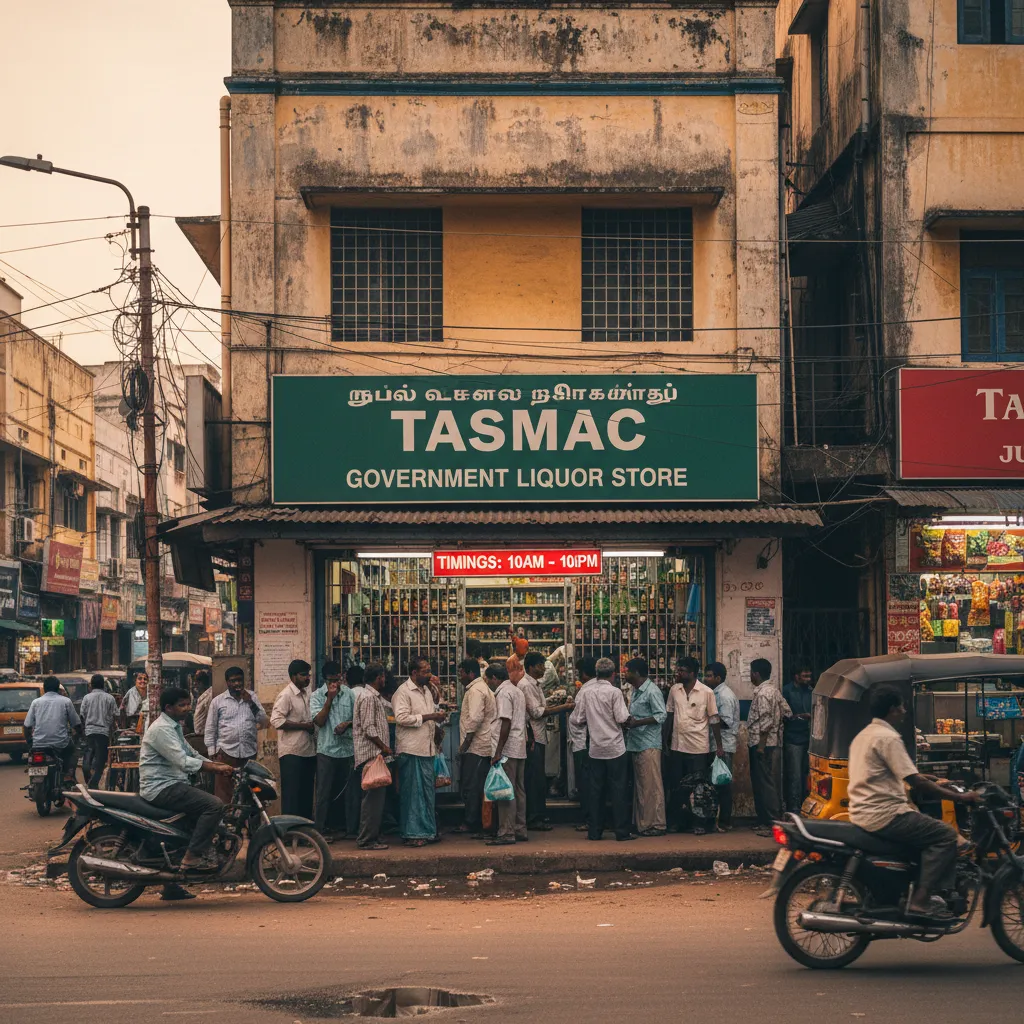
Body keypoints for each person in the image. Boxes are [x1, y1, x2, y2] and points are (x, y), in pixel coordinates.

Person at [849, 685, 978, 921]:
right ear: (892, 709)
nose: (904, 711)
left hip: (864, 812)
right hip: (886, 814)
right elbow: (916, 782)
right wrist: (961, 797)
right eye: (901, 706)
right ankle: (920, 901)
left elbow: (894, 774)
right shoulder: (888, 737)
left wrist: (932, 779)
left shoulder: (864, 735)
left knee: (926, 827)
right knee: (946, 835)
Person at [141, 686, 233, 871]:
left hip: (173, 784)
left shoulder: (174, 727)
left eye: (188, 704)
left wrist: (219, 766)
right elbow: (182, 761)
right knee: (214, 805)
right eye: (182, 705)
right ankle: (193, 856)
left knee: (185, 830)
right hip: (162, 787)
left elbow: (192, 753)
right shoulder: (161, 729)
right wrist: (214, 768)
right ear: (168, 708)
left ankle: (172, 886)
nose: (187, 708)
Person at [569, 657, 632, 842]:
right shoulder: (615, 692)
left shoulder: (587, 693)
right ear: (613, 674)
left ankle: (595, 831)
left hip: (595, 749)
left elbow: (577, 719)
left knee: (596, 791)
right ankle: (621, 831)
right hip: (615, 749)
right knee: (618, 790)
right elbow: (622, 718)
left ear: (596, 674)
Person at [664, 657, 724, 835]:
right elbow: (669, 716)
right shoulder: (675, 690)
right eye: (679, 669)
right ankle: (677, 822)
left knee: (699, 789)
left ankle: (699, 823)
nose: (679, 673)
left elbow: (714, 719)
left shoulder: (707, 692)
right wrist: (665, 741)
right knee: (676, 787)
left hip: (698, 747)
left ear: (692, 673)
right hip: (677, 745)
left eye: (682, 670)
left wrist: (719, 746)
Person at [392, 654, 446, 848]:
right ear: (414, 673)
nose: (429, 675)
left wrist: (437, 726)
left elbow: (432, 714)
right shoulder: (403, 692)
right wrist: (430, 716)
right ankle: (412, 833)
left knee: (426, 793)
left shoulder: (426, 691)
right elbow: (402, 718)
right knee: (412, 793)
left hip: (427, 748)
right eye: (425, 671)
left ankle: (427, 830)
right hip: (411, 748)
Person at [520, 651, 574, 831]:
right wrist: (563, 707)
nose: (544, 669)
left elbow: (540, 707)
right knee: (534, 779)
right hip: (533, 737)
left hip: (538, 735)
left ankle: (538, 815)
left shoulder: (534, 685)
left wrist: (553, 701)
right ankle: (534, 817)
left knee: (538, 778)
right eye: (541, 665)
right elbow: (536, 712)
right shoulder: (526, 686)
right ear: (531, 667)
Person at [204, 665, 268, 803]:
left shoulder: (252, 697)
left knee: (250, 790)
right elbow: (210, 728)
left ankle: (248, 822)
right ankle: (226, 821)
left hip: (248, 752)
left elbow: (263, 721)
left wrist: (250, 702)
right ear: (227, 682)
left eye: (239, 680)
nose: (237, 684)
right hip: (226, 752)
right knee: (224, 790)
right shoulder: (218, 701)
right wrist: (212, 751)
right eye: (233, 681)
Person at [309, 660, 355, 841]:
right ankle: (320, 830)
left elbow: (359, 717)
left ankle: (350, 830)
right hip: (326, 749)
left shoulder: (350, 694)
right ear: (324, 680)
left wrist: (347, 724)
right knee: (323, 792)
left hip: (347, 749)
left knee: (350, 793)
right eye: (331, 681)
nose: (335, 684)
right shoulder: (317, 696)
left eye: (338, 679)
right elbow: (319, 721)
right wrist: (329, 698)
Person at [623, 657, 667, 837]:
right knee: (642, 786)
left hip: (648, 743)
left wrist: (637, 723)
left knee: (652, 786)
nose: (625, 674)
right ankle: (642, 823)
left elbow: (661, 715)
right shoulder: (636, 691)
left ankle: (656, 824)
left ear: (637, 673)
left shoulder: (651, 691)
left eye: (627, 671)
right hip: (637, 743)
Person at [746, 657, 790, 836]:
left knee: (765, 784)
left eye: (751, 672)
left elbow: (765, 722)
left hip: (762, 744)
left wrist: (761, 747)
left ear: (756, 673)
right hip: (775, 743)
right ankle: (767, 821)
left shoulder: (763, 693)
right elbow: (787, 712)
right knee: (770, 782)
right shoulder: (775, 691)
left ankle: (771, 823)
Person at [487, 662, 528, 846]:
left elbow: (505, 722)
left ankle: (506, 832)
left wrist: (498, 751)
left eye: (488, 680)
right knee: (518, 789)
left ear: (495, 678)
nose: (488, 684)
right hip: (519, 747)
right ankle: (520, 828)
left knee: (505, 791)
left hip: (507, 748)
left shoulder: (503, 693)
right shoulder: (517, 690)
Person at [352, 662, 392, 851]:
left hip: (372, 755)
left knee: (375, 800)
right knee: (372, 801)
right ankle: (367, 839)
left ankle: (371, 836)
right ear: (378, 678)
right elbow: (369, 728)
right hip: (371, 755)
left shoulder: (371, 696)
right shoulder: (368, 697)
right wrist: (384, 747)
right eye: (383, 676)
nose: (384, 680)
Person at [270, 659, 316, 818]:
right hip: (292, 752)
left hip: (309, 751)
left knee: (306, 794)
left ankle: (304, 832)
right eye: (303, 675)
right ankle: (289, 833)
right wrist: (303, 726)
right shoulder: (286, 695)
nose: (307, 678)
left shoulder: (308, 692)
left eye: (308, 675)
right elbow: (276, 721)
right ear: (293, 676)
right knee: (292, 796)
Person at [456, 657, 495, 837]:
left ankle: (473, 822)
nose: (459, 676)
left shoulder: (476, 691)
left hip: (477, 747)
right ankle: (480, 822)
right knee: (478, 786)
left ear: (470, 673)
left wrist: (465, 745)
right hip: (481, 745)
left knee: (473, 786)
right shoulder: (480, 688)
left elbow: (476, 718)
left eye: (461, 672)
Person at [24, 675, 81, 782]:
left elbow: (27, 726)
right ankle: (68, 776)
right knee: (73, 752)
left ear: (44, 688)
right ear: (58, 689)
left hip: (38, 744)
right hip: (60, 744)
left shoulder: (36, 702)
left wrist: (30, 743)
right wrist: (79, 734)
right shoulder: (66, 702)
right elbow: (76, 724)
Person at [704, 662, 738, 831]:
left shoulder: (724, 695)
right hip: (718, 744)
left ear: (718, 677)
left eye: (709, 675)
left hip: (723, 745)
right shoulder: (715, 693)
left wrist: (706, 720)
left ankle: (725, 821)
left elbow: (725, 721)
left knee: (722, 783)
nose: (706, 678)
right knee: (717, 783)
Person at [567, 656, 597, 831]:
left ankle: (589, 819)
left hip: (583, 743)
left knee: (586, 783)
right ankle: (596, 818)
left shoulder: (585, 691)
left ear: (585, 674)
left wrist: (569, 709)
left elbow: (578, 718)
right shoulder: (606, 689)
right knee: (596, 783)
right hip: (597, 743)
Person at [783, 665, 814, 813]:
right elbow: (783, 715)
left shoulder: (810, 691)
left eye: (809, 676)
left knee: (807, 775)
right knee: (794, 776)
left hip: (808, 738)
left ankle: (806, 807)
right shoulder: (787, 691)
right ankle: (793, 809)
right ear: (796, 676)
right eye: (805, 676)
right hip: (793, 738)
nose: (808, 680)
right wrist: (800, 716)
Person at [79, 674, 118, 788]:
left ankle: (90, 781)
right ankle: (93, 783)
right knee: (100, 760)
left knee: (88, 756)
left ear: (91, 685)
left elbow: (82, 714)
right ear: (103, 685)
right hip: (104, 733)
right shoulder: (109, 698)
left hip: (90, 732)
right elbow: (116, 714)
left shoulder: (87, 698)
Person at [191, 669, 213, 753]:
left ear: (202, 683)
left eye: (197, 684)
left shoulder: (209, 695)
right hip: (199, 734)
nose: (195, 686)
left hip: (204, 734)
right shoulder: (202, 695)